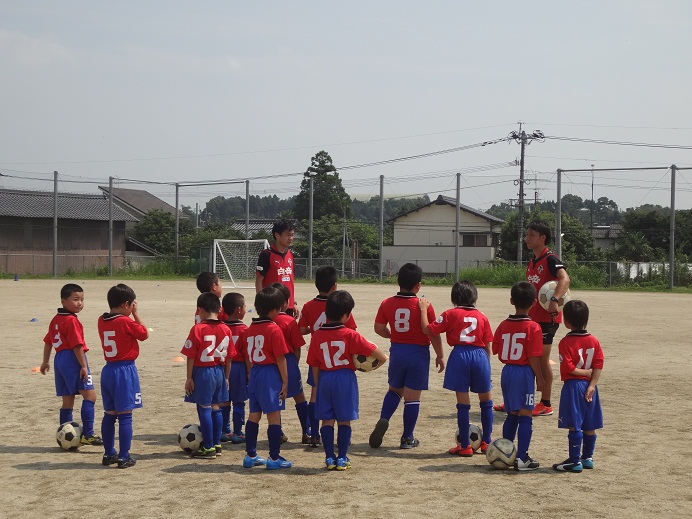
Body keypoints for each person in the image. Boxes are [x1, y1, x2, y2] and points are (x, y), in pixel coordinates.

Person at [307, 290, 388, 470]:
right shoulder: (350, 334)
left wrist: (319, 384)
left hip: (325, 378)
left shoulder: (317, 335)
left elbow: (314, 364)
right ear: (346, 315)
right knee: (344, 420)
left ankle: (329, 458)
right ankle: (342, 458)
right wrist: (375, 364)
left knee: (327, 420)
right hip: (344, 378)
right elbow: (379, 355)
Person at [369, 263, 444, 450]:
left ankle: (384, 418)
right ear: (418, 286)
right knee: (412, 398)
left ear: (397, 281)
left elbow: (378, 328)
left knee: (394, 390)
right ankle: (407, 437)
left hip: (398, 351)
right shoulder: (423, 306)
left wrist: (393, 335)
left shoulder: (387, 303)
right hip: (418, 353)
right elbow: (433, 332)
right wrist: (440, 355)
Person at [420, 280, 494, 457]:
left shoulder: (450, 314)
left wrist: (423, 310)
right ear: (474, 297)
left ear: (455, 298)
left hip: (460, 355)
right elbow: (488, 344)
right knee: (486, 401)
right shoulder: (482, 316)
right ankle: (487, 442)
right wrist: (486, 363)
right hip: (480, 355)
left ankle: (465, 446)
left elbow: (428, 330)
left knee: (463, 403)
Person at [298, 265, 357, 447]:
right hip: (337, 359)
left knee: (315, 395)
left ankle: (314, 434)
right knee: (337, 400)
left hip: (318, 355)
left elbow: (301, 329)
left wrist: (315, 330)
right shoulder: (339, 306)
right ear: (335, 286)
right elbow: (351, 329)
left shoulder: (308, 306)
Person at [41, 283, 103, 446]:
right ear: (63, 301)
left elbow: (48, 342)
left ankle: (63, 432)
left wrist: (46, 361)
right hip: (72, 359)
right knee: (90, 395)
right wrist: (83, 366)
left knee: (67, 400)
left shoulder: (56, 319)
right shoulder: (71, 321)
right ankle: (88, 434)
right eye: (75, 299)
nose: (80, 303)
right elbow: (77, 345)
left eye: (82, 299)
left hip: (59, 359)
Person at [492, 281, 544, 471]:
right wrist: (539, 378)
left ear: (511, 301)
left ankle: (506, 454)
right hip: (523, 373)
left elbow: (496, 349)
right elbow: (533, 357)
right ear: (535, 303)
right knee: (525, 415)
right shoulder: (534, 327)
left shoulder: (503, 325)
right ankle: (522, 458)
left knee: (511, 413)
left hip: (507, 372)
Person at [238, 286, 293, 470]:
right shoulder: (274, 329)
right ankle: (274, 458)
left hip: (255, 372)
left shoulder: (250, 329)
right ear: (275, 310)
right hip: (270, 374)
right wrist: (285, 381)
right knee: (274, 416)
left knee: (254, 414)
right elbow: (280, 358)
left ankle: (250, 455)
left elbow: (245, 354)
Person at [97, 284, 149, 468]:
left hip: (108, 370)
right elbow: (143, 334)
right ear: (127, 304)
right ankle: (124, 455)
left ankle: (109, 453)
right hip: (125, 370)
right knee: (125, 415)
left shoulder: (101, 320)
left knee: (110, 414)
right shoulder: (125, 321)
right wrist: (135, 314)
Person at [181, 292, 235, 460]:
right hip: (219, 371)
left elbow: (191, 355)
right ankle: (217, 444)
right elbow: (230, 357)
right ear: (219, 309)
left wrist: (189, 378)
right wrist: (226, 377)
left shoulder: (197, 329)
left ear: (200, 310)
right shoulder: (226, 329)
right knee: (216, 407)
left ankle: (209, 447)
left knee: (203, 408)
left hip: (203, 371)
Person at [552, 300, 604, 473]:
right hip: (590, 387)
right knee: (589, 424)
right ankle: (588, 457)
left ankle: (575, 461)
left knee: (575, 424)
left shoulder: (565, 343)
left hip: (573, 386)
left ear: (566, 322)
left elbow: (569, 368)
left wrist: (585, 373)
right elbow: (598, 364)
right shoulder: (594, 341)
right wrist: (592, 384)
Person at [270, 282, 309, 444]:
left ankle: (277, 432)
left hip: (270, 364)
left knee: (275, 400)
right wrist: (294, 364)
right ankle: (307, 431)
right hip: (288, 360)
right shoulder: (289, 321)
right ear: (285, 302)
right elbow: (297, 347)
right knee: (299, 397)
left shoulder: (266, 321)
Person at [220, 292, 248, 444]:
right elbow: (247, 355)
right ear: (238, 310)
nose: (245, 309)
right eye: (244, 307)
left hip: (223, 367)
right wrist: (250, 372)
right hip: (238, 368)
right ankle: (238, 432)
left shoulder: (221, 327)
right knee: (239, 401)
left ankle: (225, 431)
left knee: (224, 400)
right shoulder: (244, 330)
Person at [256, 219, 298, 316]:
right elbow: (259, 280)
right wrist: (261, 302)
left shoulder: (290, 254)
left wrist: (293, 302)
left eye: (292, 235)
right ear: (277, 235)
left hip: (288, 305)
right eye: (287, 235)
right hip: (272, 306)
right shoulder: (266, 255)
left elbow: (290, 281)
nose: (291, 238)